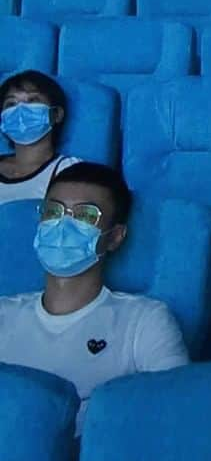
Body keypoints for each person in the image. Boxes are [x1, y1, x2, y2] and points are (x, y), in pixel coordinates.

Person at [0, 162, 189, 434]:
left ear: (115, 237)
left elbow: (175, 416)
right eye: (53, 212)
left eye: (85, 217)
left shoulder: (145, 321)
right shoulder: (4, 314)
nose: (63, 226)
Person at [0, 72, 79, 203]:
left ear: (56, 114)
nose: (20, 110)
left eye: (32, 100)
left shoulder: (71, 169)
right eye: (11, 104)